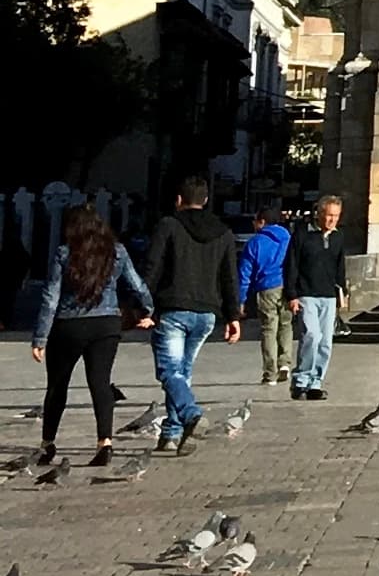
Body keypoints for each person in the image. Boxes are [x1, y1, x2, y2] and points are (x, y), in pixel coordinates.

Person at [32, 206, 154, 473]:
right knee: (100, 382)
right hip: (106, 324)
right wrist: (148, 309)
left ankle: (48, 443)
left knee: (57, 386)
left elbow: (50, 297)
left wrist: (40, 337)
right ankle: (105, 443)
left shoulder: (65, 253)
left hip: (68, 326)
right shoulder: (117, 251)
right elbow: (136, 283)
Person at [141, 170, 242, 451]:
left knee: (169, 372)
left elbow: (153, 267)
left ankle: (190, 414)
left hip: (174, 309)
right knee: (183, 373)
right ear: (206, 199)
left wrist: (143, 307)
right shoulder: (223, 233)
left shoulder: (168, 226)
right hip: (207, 313)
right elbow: (229, 277)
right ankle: (172, 434)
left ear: (178, 200)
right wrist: (233, 316)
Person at [284, 196, 350, 397]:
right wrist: (292, 295)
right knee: (311, 335)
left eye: (336, 216)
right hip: (306, 293)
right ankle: (301, 380)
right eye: (329, 215)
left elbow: (340, 266)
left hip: (328, 295)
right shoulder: (302, 235)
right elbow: (292, 265)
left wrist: (342, 291)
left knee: (325, 342)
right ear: (319, 214)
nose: (332, 220)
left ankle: (316, 383)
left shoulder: (338, 237)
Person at [240, 196, 295, 387]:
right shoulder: (289, 238)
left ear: (262, 222)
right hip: (287, 286)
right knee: (286, 324)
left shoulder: (255, 243)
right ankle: (285, 362)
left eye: (255, 221)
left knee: (269, 329)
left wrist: (241, 300)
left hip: (266, 288)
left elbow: (245, 273)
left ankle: (270, 372)